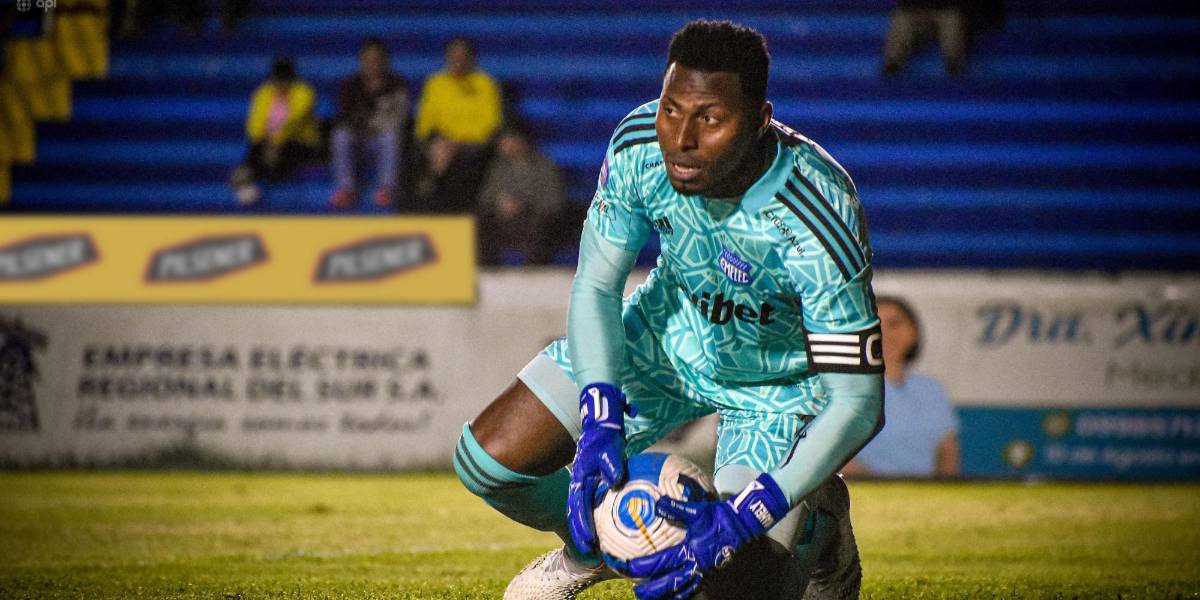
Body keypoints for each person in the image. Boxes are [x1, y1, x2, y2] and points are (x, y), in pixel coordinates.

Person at [454, 20, 884, 600]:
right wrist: (600, 414)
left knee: (731, 584)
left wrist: (751, 513)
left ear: (760, 119)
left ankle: (820, 529)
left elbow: (858, 403)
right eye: (671, 109)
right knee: (487, 461)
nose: (680, 138)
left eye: (710, 118)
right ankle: (598, 547)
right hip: (665, 342)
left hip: (776, 390)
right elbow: (597, 286)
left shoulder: (816, 209)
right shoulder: (640, 145)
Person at [843, 296, 961, 478]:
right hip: (864, 491)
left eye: (894, 324)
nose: (884, 334)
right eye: (873, 326)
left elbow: (947, 450)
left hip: (930, 492)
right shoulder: (843, 389)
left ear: (914, 332)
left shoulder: (930, 388)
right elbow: (833, 456)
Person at [411, 37, 502, 211]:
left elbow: (490, 122)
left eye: (462, 56)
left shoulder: (485, 84)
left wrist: (459, 140)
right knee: (438, 149)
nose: (458, 61)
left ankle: (431, 184)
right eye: (453, 56)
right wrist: (439, 138)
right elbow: (425, 121)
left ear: (471, 59)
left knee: (444, 153)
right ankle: (431, 200)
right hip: (442, 141)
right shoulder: (435, 83)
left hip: (474, 142)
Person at [330, 38, 410, 209]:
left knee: (390, 137)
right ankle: (347, 189)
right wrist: (362, 126)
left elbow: (400, 117)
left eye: (377, 60)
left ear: (385, 61)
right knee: (340, 136)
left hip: (381, 138)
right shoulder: (350, 86)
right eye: (368, 60)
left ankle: (387, 188)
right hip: (358, 138)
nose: (372, 64)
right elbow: (344, 117)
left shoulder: (397, 85)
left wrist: (373, 125)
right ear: (361, 61)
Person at [230, 56, 319, 205]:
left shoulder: (304, 92)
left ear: (293, 79)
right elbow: (254, 124)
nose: (281, 85)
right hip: (268, 142)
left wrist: (276, 142)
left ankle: (247, 176)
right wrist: (266, 141)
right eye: (278, 80)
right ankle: (247, 179)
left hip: (299, 141)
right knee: (256, 148)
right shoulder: (263, 93)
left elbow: (295, 122)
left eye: (286, 80)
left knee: (286, 149)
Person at [477, 124, 565, 265]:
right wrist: (499, 203)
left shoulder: (543, 166)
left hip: (532, 220)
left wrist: (522, 206)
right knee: (481, 224)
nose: (503, 145)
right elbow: (486, 197)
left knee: (540, 228)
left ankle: (535, 272)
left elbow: (553, 200)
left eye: (507, 140)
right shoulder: (499, 168)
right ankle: (487, 270)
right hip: (503, 220)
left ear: (519, 141)